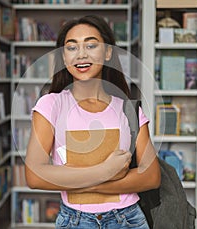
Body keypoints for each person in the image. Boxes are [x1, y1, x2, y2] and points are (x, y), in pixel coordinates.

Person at [25, 15, 161, 229]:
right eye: (72, 47)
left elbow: (151, 176)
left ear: (107, 52)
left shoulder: (128, 109)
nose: (81, 54)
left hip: (128, 220)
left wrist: (76, 182)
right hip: (75, 221)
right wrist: (107, 171)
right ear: (63, 56)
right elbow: (35, 175)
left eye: (91, 45)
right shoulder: (51, 105)